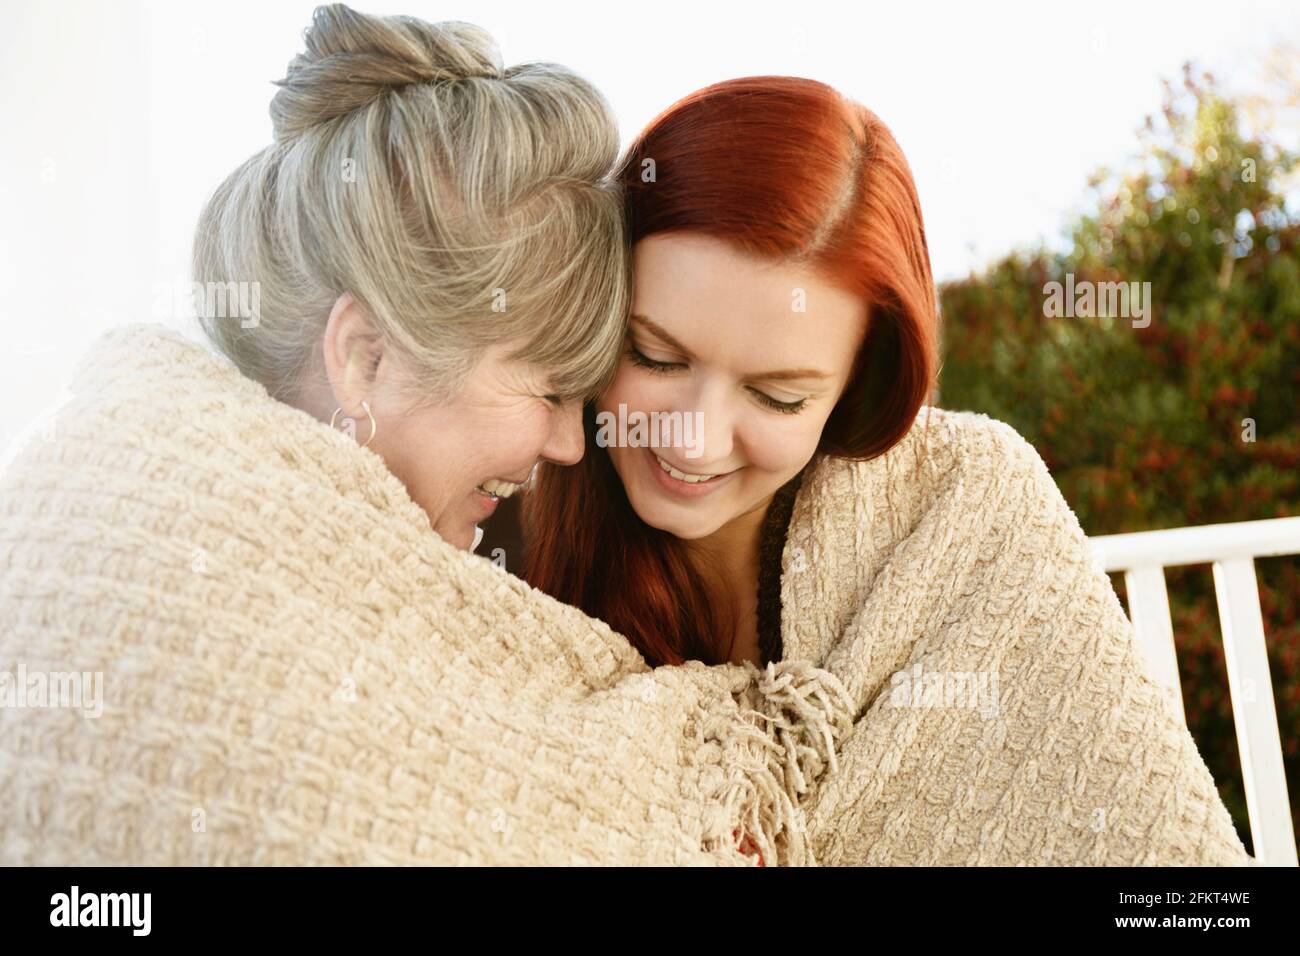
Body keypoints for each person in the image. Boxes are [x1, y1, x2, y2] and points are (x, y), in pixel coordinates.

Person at [519, 76, 1257, 866]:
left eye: (776, 397)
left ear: (854, 391)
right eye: (653, 356)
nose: (693, 442)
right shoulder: (494, 496)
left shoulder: (967, 505)